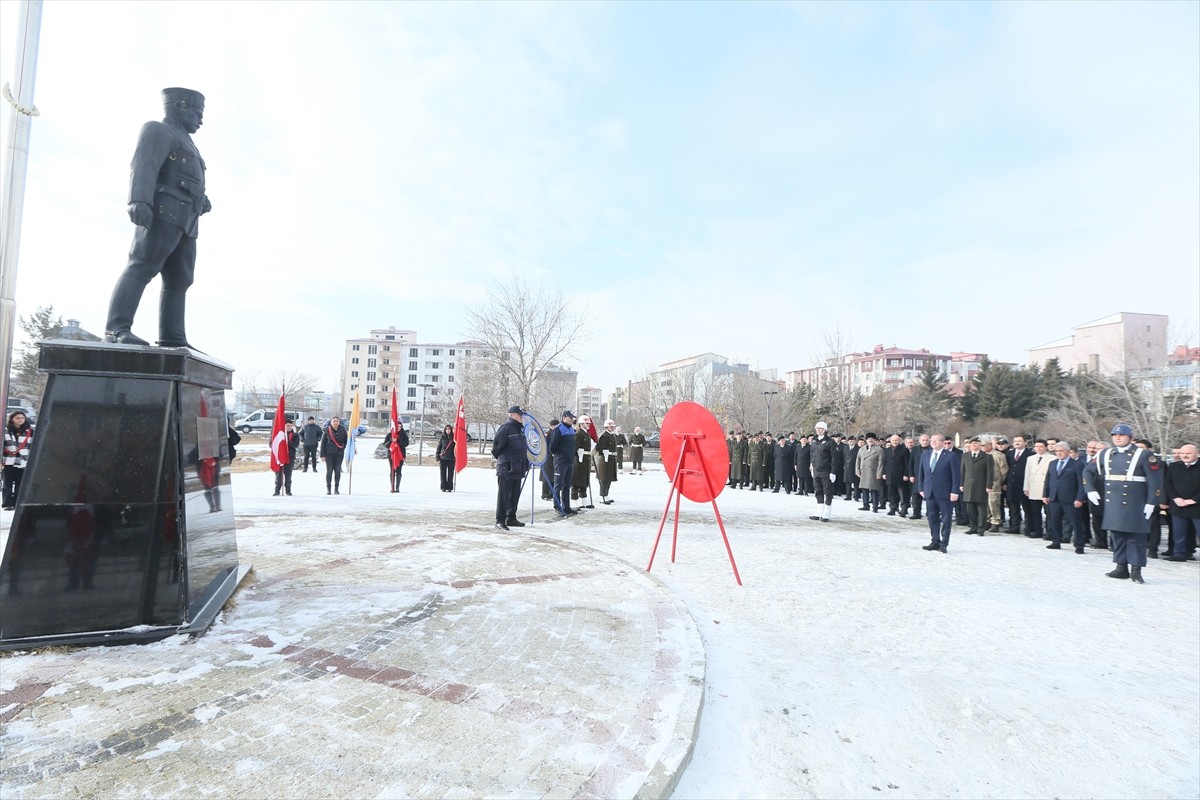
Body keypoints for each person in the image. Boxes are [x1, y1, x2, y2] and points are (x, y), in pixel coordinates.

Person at [104, 88, 211, 348]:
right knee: (142, 266)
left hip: (187, 219)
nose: (200, 119)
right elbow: (144, 165)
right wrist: (139, 200)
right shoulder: (158, 130)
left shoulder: (189, 143)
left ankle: (173, 337)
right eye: (197, 112)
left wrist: (202, 198)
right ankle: (116, 329)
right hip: (164, 211)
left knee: (180, 278)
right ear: (180, 106)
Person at [1083, 424, 1164, 584]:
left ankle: (1136, 569)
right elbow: (1087, 471)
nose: (1118, 438)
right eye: (1114, 435)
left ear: (1130, 438)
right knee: (1117, 535)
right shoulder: (1105, 453)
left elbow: (1155, 481)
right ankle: (1121, 567)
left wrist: (1151, 502)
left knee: (1136, 537)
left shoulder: (1144, 455)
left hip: (1136, 502)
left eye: (1121, 435)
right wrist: (1089, 489)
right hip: (1113, 501)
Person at [918, 433, 961, 553]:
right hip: (929, 492)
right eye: (932, 440)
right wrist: (921, 488)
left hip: (945, 493)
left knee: (946, 519)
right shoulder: (926, 454)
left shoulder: (951, 456)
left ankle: (944, 543)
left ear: (943, 442)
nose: (933, 442)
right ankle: (935, 541)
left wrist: (955, 491)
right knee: (932, 517)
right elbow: (921, 473)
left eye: (936, 440)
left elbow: (956, 476)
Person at [491, 405, 529, 530]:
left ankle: (511, 518)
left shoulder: (520, 429)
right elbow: (496, 448)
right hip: (507, 468)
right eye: (520, 415)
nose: (522, 417)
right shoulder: (506, 428)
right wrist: (505, 460)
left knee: (514, 495)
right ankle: (500, 520)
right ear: (512, 415)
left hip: (518, 468)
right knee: (504, 496)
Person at [1043, 441, 1086, 552]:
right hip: (1054, 498)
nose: (1058, 453)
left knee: (1075, 522)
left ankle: (1079, 545)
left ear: (1067, 451)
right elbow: (1048, 480)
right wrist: (1045, 494)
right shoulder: (1052, 463)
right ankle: (1056, 541)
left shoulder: (1077, 465)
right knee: (1054, 521)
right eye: (1056, 451)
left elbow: (1082, 483)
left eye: (1061, 451)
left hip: (1071, 499)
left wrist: (1080, 498)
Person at [1163, 443, 1199, 562]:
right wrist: (1175, 498)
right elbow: (1167, 484)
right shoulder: (1174, 466)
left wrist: (1194, 500)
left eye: (1188, 453)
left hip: (1197, 506)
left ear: (1197, 453)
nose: (1185, 455)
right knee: (1179, 532)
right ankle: (1179, 554)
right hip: (1178, 505)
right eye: (1183, 453)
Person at [959, 437, 994, 535]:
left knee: (981, 508)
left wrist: (989, 485)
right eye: (972, 443)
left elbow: (990, 472)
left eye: (976, 443)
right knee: (970, 508)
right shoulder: (965, 456)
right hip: (968, 485)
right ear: (969, 445)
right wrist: (961, 484)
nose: (974, 445)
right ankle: (973, 527)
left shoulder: (987, 457)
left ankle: (981, 528)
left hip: (981, 486)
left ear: (980, 444)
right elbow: (962, 471)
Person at [808, 422, 842, 522]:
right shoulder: (814, 441)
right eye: (817, 428)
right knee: (818, 491)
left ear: (825, 430)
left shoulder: (830, 442)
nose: (818, 430)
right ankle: (819, 511)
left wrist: (833, 472)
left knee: (827, 492)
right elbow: (812, 455)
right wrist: (812, 467)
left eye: (821, 428)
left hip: (826, 471)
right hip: (816, 470)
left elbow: (835, 458)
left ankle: (827, 512)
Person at [547, 410, 578, 517]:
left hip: (570, 461)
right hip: (561, 461)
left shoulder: (571, 430)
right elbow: (552, 446)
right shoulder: (559, 429)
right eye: (570, 418)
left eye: (573, 418)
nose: (572, 419)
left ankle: (566, 507)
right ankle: (557, 506)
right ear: (564, 418)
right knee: (558, 485)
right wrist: (559, 455)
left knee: (567, 486)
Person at [2, 411, 34, 510]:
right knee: (7, 483)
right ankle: (8, 503)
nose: (20, 420)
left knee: (20, 483)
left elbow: (32, 446)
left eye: (22, 418)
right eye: (17, 418)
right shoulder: (5, 431)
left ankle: (17, 503)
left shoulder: (30, 431)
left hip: (23, 460)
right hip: (8, 460)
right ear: (12, 419)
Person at [1022, 440, 1052, 538]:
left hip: (1046, 489)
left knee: (1049, 513)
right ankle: (1037, 530)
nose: (1038, 448)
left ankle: (1050, 532)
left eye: (1041, 446)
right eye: (1036, 446)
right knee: (1035, 512)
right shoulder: (1030, 458)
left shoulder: (1052, 458)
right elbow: (1027, 474)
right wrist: (1026, 487)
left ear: (1046, 447)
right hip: (1033, 488)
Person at [1006, 435, 1032, 533]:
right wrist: (1005, 483)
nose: (1017, 443)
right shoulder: (1009, 454)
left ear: (1025, 442)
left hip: (1024, 484)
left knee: (1027, 508)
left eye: (1019, 441)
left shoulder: (1030, 454)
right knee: (1013, 508)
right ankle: (1014, 527)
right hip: (1011, 484)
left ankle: (1029, 528)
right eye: (1015, 441)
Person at [320, 416, 348, 495]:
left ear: (339, 422)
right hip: (329, 454)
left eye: (337, 421)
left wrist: (344, 447)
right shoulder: (327, 430)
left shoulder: (343, 430)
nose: (335, 423)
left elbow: (346, 441)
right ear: (331, 422)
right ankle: (328, 488)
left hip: (339, 454)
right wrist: (322, 455)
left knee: (337, 470)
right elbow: (323, 443)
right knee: (329, 471)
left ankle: (336, 488)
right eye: (334, 421)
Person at [855, 434, 883, 512]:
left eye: (872, 439)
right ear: (866, 440)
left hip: (873, 472)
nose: (870, 440)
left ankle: (875, 506)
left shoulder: (879, 450)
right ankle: (865, 505)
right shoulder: (861, 449)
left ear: (875, 440)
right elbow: (858, 461)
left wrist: (879, 473)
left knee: (874, 490)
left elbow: (881, 463)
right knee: (864, 489)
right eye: (868, 439)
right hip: (863, 471)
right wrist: (857, 471)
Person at [595, 419, 620, 504]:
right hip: (605, 460)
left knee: (608, 478)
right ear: (607, 427)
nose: (612, 428)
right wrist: (605, 452)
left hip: (611, 459)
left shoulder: (612, 436)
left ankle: (606, 495)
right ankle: (602, 496)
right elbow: (599, 448)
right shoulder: (604, 436)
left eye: (613, 426)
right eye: (611, 426)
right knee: (604, 479)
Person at [273, 420, 300, 497]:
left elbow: (296, 445)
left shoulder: (295, 435)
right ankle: (277, 490)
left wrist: (286, 441)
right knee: (278, 474)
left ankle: (288, 490)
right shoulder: (279, 434)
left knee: (288, 474)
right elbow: (272, 443)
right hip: (280, 457)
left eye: (290, 426)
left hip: (289, 457)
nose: (289, 427)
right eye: (287, 425)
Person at [382, 422, 410, 492]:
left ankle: (397, 487)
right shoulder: (390, 434)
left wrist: (398, 440)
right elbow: (385, 444)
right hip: (391, 455)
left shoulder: (404, 434)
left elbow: (406, 444)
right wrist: (391, 441)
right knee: (392, 470)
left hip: (400, 455)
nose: (399, 428)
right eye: (397, 426)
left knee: (399, 471)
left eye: (400, 426)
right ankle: (392, 487)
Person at [435, 424, 457, 492]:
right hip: (443, 458)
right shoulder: (442, 437)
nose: (448, 431)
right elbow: (439, 448)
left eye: (449, 429)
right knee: (442, 474)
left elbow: (457, 448)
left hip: (451, 458)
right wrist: (437, 457)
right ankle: (443, 487)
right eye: (447, 429)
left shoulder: (454, 438)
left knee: (450, 474)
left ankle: (449, 487)